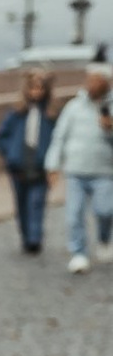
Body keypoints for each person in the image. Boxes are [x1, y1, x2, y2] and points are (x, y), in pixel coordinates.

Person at [46, 62, 113, 273]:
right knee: (74, 214)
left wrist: (109, 129)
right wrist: (53, 164)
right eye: (89, 79)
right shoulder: (74, 106)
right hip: (75, 169)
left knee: (105, 210)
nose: (91, 84)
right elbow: (60, 136)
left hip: (104, 170)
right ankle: (78, 253)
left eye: (96, 80)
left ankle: (104, 238)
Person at [0, 70, 56, 254]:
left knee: (36, 203)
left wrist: (53, 162)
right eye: (33, 88)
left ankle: (34, 239)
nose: (36, 92)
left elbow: (58, 140)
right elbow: (1, 137)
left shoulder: (50, 116)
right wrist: (11, 154)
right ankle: (25, 234)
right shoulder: (16, 113)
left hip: (40, 167)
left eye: (40, 88)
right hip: (18, 166)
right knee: (21, 204)